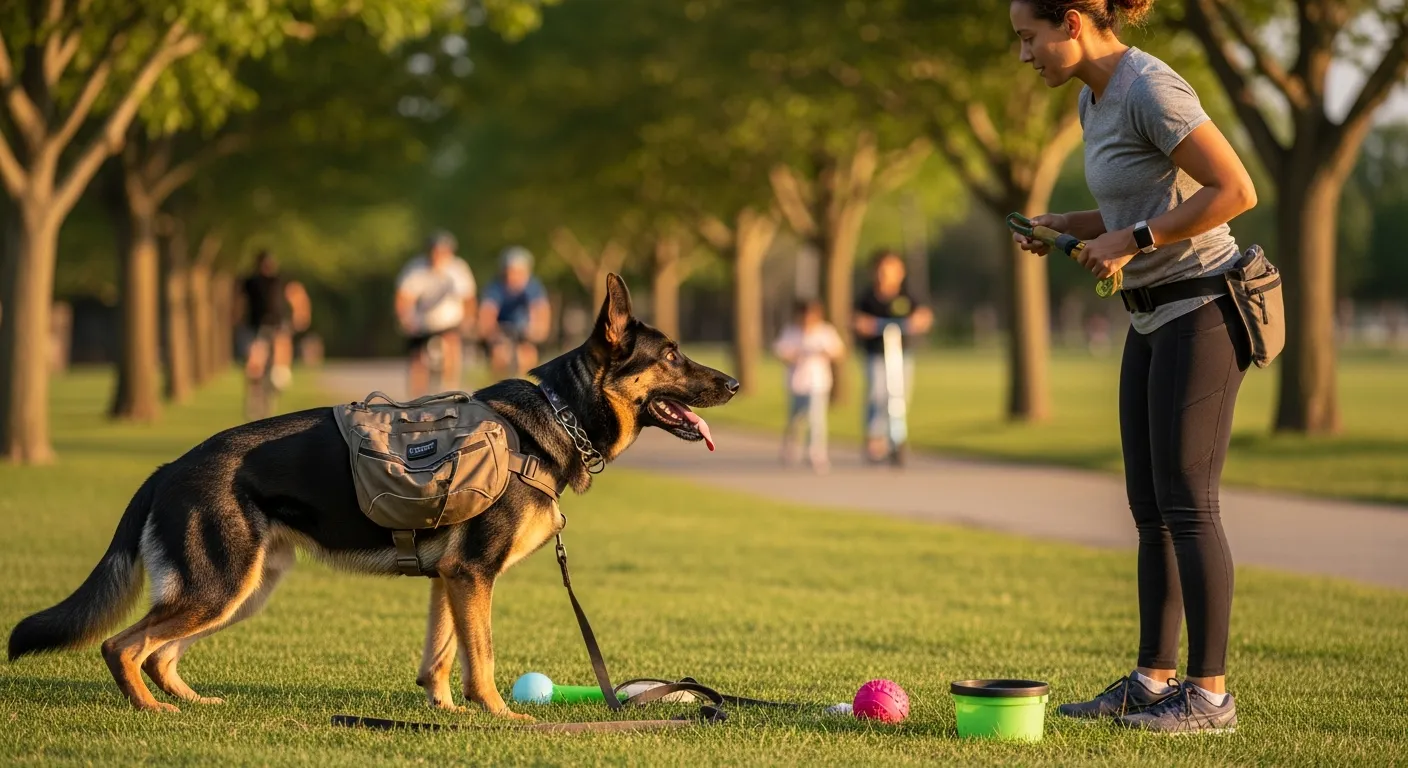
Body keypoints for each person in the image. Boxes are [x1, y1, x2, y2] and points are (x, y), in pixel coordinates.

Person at [1010, 0, 1259, 734]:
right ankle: (1155, 681)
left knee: (1189, 502)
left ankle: (1210, 697)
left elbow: (1235, 191)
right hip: (1150, 316)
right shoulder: (1093, 100)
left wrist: (1133, 239)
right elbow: (1137, 204)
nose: (1025, 55)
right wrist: (1071, 224)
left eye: (1030, 38)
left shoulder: (1151, 88)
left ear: (1075, 21)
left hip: (1204, 309)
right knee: (1149, 508)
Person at [852, 248, 932, 463]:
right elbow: (857, 320)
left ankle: (896, 437)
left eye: (892, 270)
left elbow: (923, 316)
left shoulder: (906, 297)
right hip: (876, 354)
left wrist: (918, 321)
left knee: (899, 396)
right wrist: (865, 325)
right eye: (882, 270)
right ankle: (874, 439)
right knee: (877, 394)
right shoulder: (868, 298)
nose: (886, 275)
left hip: (901, 356)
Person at [395, 230, 476, 397]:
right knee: (418, 359)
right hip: (422, 322)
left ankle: (449, 391)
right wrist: (405, 318)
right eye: (435, 250)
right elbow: (404, 297)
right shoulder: (415, 268)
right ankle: (416, 398)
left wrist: (469, 319)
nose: (438, 255)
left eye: (442, 251)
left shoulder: (458, 269)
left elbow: (468, 298)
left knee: (451, 346)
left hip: (449, 321)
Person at [773, 299, 845, 473]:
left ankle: (817, 453)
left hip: (818, 384)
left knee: (816, 420)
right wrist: (794, 355)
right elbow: (780, 352)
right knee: (795, 419)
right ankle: (791, 447)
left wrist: (825, 353)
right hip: (797, 384)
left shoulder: (825, 332)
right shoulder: (792, 332)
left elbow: (839, 352)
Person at [238, 249, 310, 417]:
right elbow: (239, 303)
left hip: (278, 325)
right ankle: (254, 400)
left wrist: (300, 316)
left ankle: (278, 377)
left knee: (279, 355)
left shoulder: (281, 281)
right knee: (254, 365)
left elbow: (298, 296)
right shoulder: (249, 282)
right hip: (256, 326)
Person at [477, 245, 551, 378]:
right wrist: (489, 331)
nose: (513, 275)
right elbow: (488, 310)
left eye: (518, 271)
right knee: (499, 353)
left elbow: (540, 308)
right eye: (510, 271)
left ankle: (526, 388)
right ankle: (497, 388)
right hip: (502, 327)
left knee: (527, 354)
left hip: (525, 327)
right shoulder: (496, 286)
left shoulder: (533, 286)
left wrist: (539, 330)